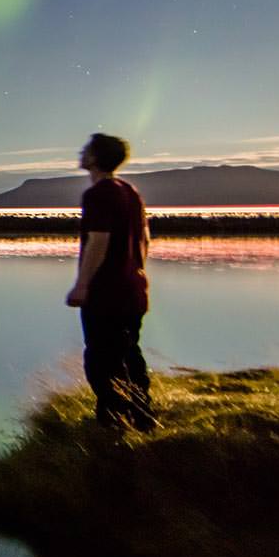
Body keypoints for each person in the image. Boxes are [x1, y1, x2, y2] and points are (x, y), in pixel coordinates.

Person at [66, 133, 157, 432]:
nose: (81, 152)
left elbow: (98, 242)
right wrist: (137, 271)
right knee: (129, 353)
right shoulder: (130, 191)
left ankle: (112, 422)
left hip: (107, 293)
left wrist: (82, 284)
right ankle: (142, 415)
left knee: (101, 359)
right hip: (134, 290)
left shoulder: (98, 195)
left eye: (86, 148)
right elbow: (144, 239)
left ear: (94, 158)